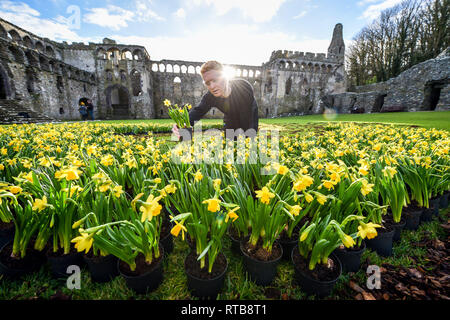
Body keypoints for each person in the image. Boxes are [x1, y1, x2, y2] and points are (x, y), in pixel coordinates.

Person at [172, 60, 259, 141]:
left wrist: (247, 138)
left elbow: (247, 118)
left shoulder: (243, 87)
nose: (212, 86)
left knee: (249, 139)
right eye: (208, 83)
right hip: (229, 114)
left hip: (249, 111)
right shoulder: (210, 97)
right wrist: (182, 123)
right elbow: (198, 111)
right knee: (229, 141)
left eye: (215, 80)